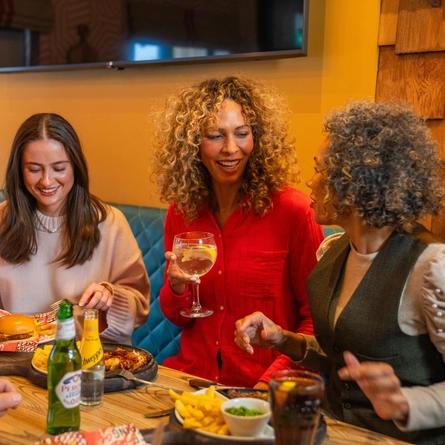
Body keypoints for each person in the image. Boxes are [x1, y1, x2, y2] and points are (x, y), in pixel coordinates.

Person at [235, 99, 445, 444]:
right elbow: (344, 356)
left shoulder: (430, 268)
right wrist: (283, 339)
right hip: (333, 432)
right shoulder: (333, 251)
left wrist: (406, 403)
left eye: (319, 169)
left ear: (355, 183)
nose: (309, 180)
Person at [153, 75, 324, 388]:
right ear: (193, 144)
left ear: (257, 139)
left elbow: (317, 323)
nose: (231, 149)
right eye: (215, 136)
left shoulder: (295, 213)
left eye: (242, 134)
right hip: (191, 378)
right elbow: (179, 317)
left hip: (263, 385)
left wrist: (268, 383)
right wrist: (177, 290)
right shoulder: (181, 212)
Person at [0, 113, 150, 344]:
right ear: (19, 170)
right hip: (15, 362)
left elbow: (139, 309)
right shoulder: (3, 219)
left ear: (75, 167)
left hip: (87, 358)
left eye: (59, 168)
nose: (47, 181)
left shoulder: (109, 222)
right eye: (34, 169)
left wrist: (110, 297)